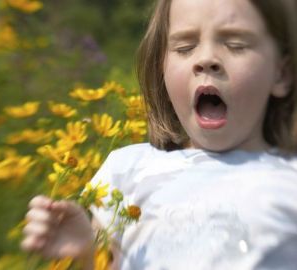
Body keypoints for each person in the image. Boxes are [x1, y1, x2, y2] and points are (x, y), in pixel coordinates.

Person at [21, 0, 297, 269]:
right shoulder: (127, 170)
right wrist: (84, 255)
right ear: (161, 68)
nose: (206, 59)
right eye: (185, 47)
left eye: (236, 44)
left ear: (281, 74)